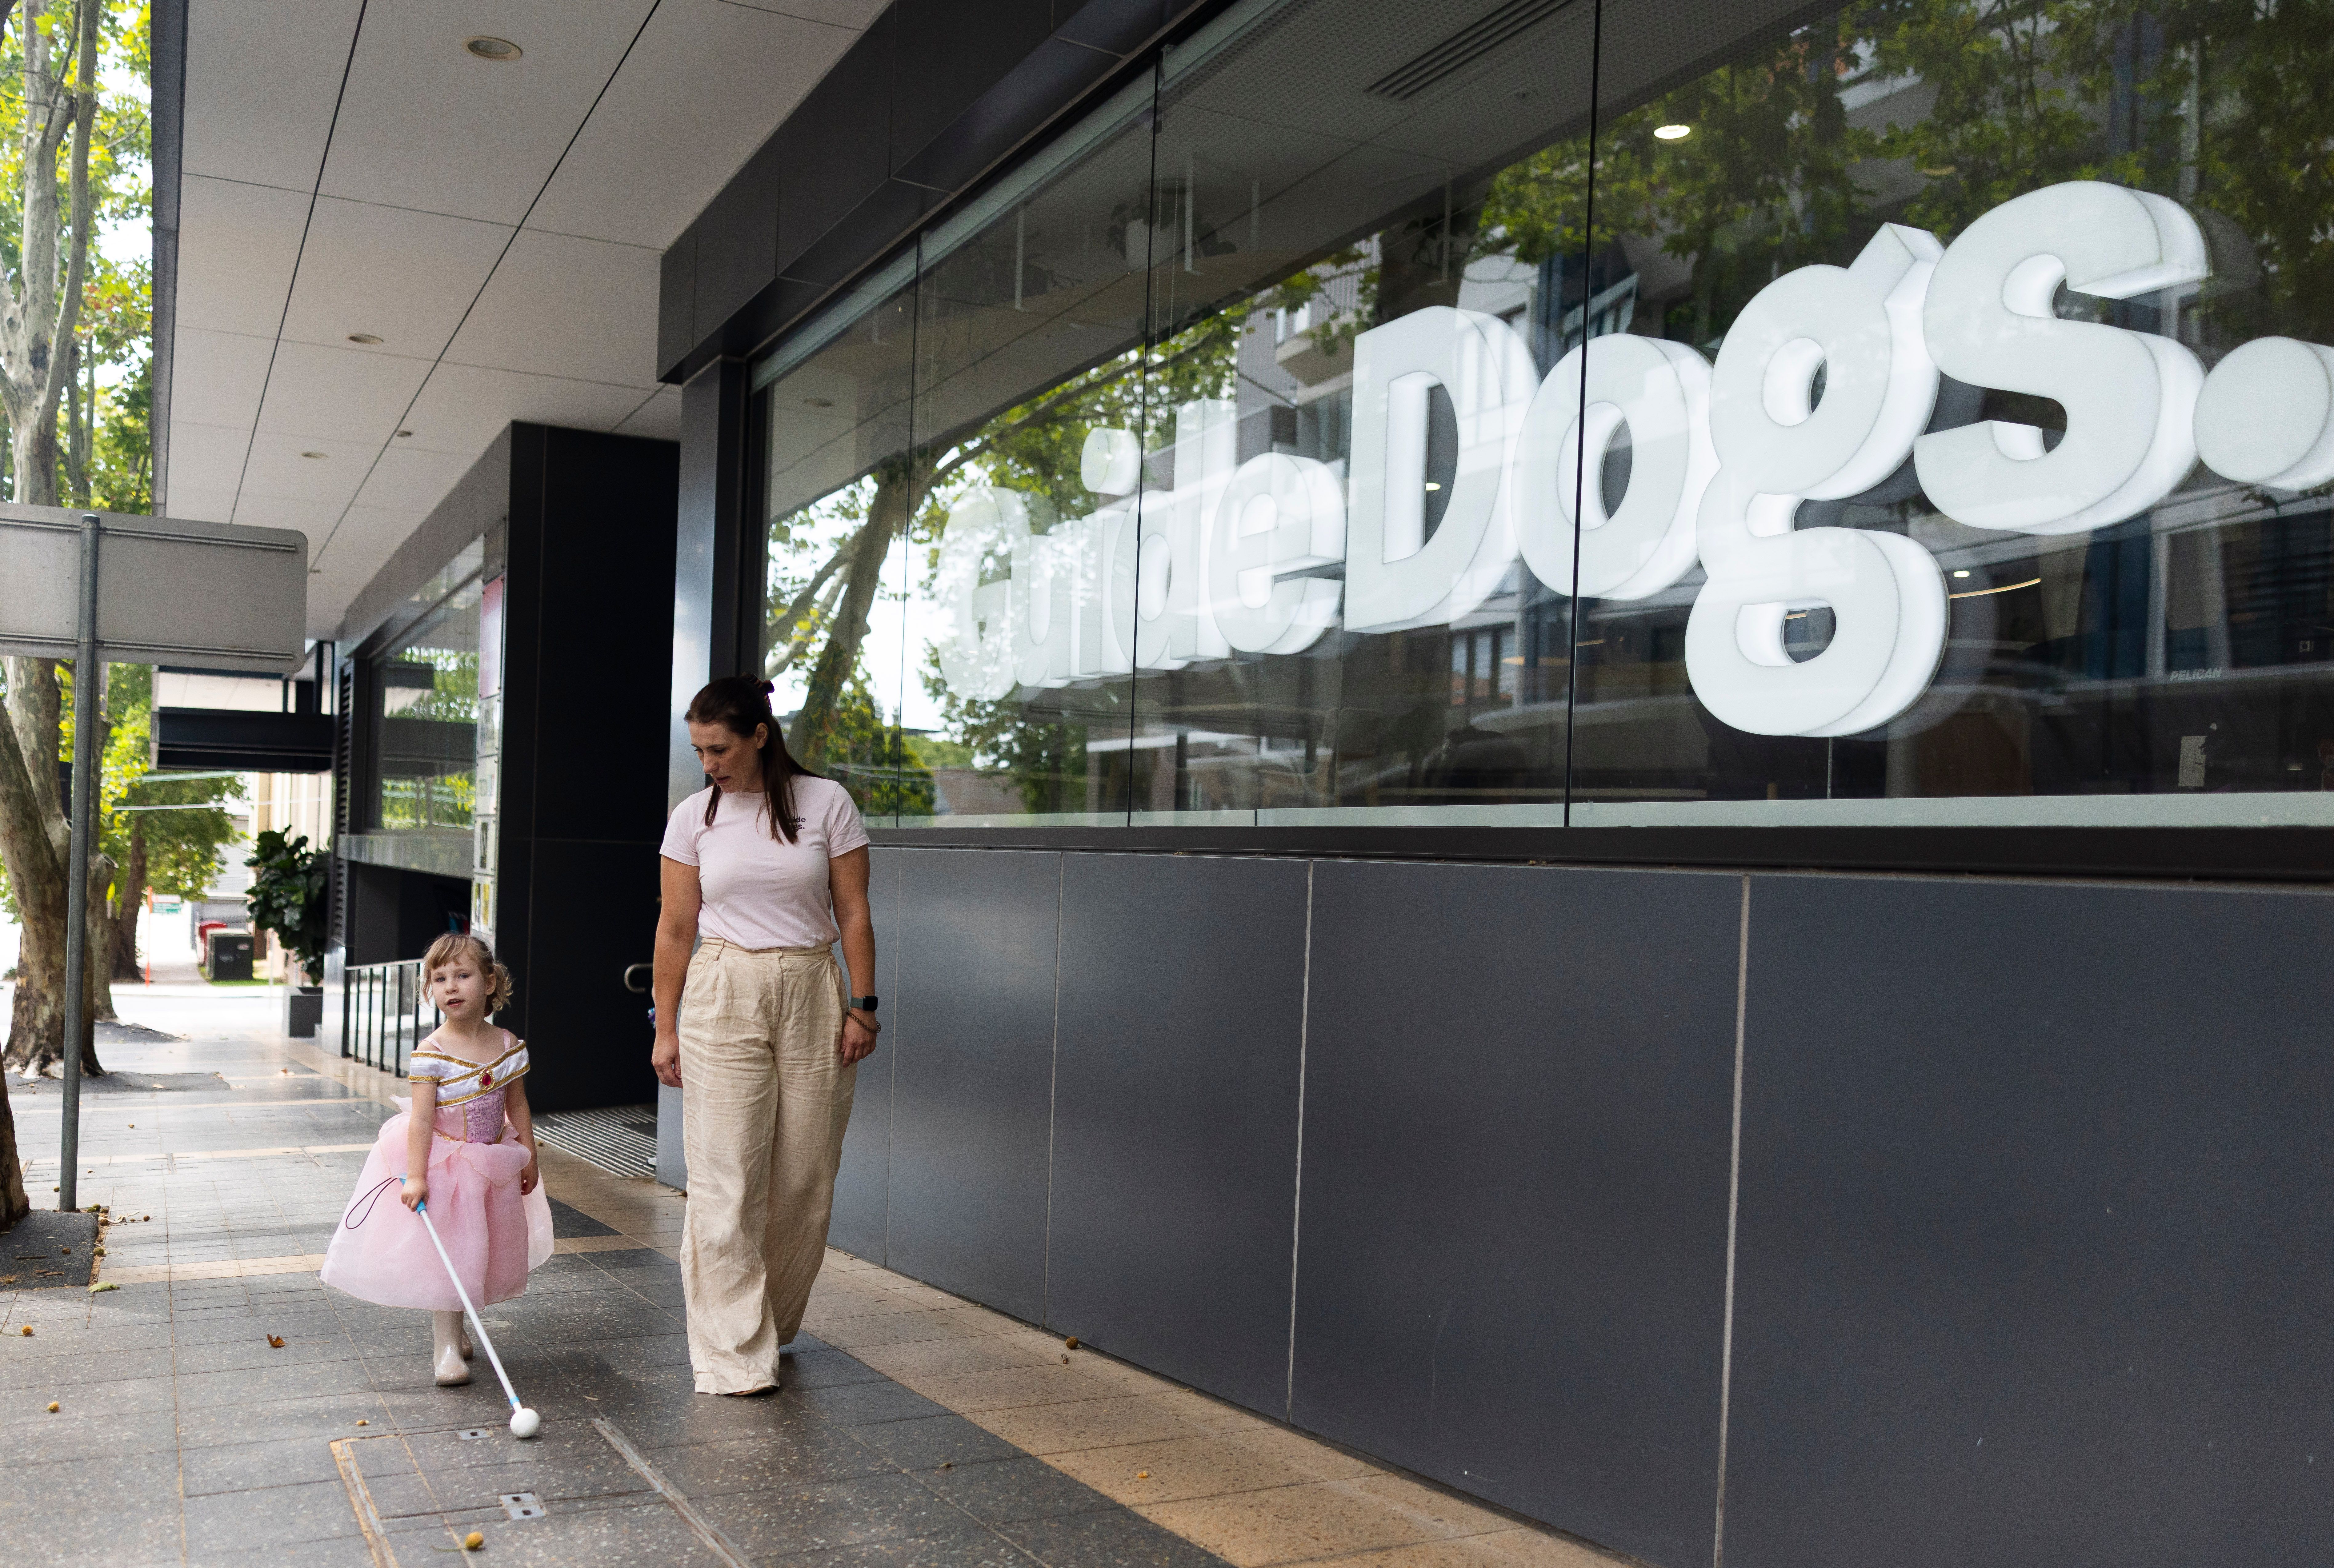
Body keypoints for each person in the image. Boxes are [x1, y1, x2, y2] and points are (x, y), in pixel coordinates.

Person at [653, 675, 879, 1396]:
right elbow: (676, 926)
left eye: (718, 747)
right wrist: (665, 1024)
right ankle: (729, 1350)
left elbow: (852, 911)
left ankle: (769, 1325)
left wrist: (864, 1004)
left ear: (759, 734)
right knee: (726, 1176)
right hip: (721, 990)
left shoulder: (826, 802)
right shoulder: (693, 816)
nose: (708, 762)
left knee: (805, 1175)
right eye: (697, 749)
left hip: (813, 986)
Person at [320, 933, 554, 1386]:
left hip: (492, 1164)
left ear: (489, 982)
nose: (451, 987)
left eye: (463, 975)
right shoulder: (433, 1052)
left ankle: (459, 1327)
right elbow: (422, 1121)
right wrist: (416, 1175)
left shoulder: (507, 1044)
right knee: (449, 1252)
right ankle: (445, 1347)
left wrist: (529, 1154)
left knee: (478, 1250)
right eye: (440, 978)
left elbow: (518, 1105)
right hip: (444, 1167)